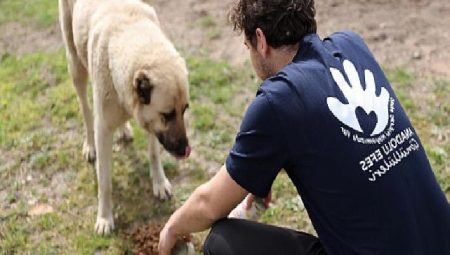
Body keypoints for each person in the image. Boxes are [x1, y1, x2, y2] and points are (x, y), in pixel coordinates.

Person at [158, 0, 450, 254]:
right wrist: (261, 168)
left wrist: (172, 227)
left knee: (222, 241)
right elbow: (329, 135)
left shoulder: (278, 100)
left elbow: (209, 204)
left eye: (247, 47)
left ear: (260, 40)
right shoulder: (352, 45)